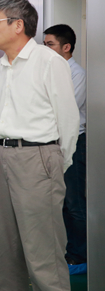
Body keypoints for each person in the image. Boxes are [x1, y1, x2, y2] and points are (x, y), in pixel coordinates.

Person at [0, 0, 79, 291]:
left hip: (38, 158)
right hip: (3, 156)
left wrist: (53, 164)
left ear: (18, 25)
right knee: (4, 254)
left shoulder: (48, 61)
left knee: (43, 256)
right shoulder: (0, 66)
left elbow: (68, 120)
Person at [44, 24, 87, 275]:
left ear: (66, 47)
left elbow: (64, 109)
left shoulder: (76, 74)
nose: (45, 49)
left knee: (74, 202)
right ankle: (65, 251)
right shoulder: (51, 71)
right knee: (59, 201)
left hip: (74, 143)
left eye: (50, 44)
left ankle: (79, 256)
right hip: (53, 144)